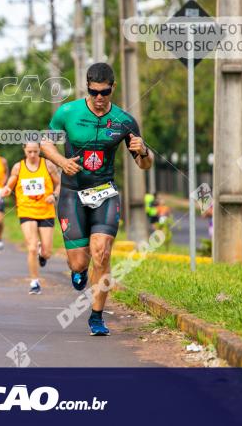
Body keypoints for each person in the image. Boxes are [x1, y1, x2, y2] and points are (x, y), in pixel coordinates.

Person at [41, 63, 152, 336]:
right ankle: (78, 271)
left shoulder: (125, 121)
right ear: (87, 88)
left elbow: (144, 165)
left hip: (105, 192)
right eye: (93, 92)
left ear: (113, 88)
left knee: (101, 251)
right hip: (71, 193)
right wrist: (62, 161)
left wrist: (144, 151)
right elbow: (45, 144)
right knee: (79, 263)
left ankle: (97, 316)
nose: (99, 98)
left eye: (104, 92)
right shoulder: (68, 113)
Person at [1, 141, 60, 294]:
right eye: (29, 152)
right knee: (32, 247)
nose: (33, 155)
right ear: (24, 150)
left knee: (47, 252)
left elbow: (59, 184)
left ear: (40, 150)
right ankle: (34, 282)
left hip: (46, 211)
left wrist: (54, 195)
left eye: (35, 151)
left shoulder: (48, 165)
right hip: (26, 210)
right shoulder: (18, 167)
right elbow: (10, 184)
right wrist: (6, 189)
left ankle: (43, 253)